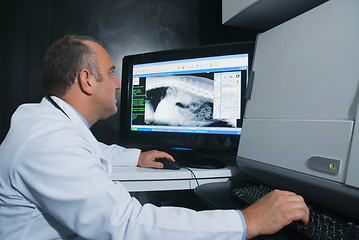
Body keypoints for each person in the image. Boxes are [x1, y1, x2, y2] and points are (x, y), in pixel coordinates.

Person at [0, 35, 309, 240]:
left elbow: (92, 152)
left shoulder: (49, 124)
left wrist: (135, 157)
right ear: (86, 80)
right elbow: (126, 225)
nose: (119, 84)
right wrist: (247, 222)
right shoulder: (49, 142)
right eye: (110, 73)